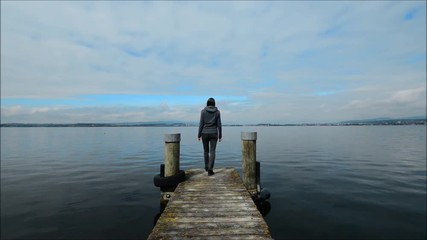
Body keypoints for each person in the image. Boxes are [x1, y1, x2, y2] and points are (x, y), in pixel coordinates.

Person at [198, 97, 222, 176]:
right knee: (212, 151)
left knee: (205, 151)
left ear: (207, 103)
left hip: (204, 133)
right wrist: (220, 135)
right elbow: (219, 125)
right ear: (214, 104)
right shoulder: (217, 112)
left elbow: (201, 124)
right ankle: (210, 169)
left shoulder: (203, 112)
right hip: (214, 133)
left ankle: (206, 167)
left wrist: (199, 134)